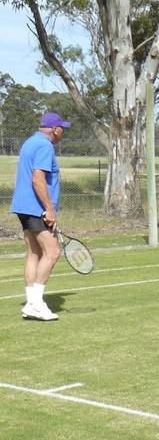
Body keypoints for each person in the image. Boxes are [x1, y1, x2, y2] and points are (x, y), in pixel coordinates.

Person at [10, 112, 71, 321]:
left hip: (23, 207)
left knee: (34, 253)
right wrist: (49, 209)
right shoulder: (45, 146)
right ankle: (36, 304)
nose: (64, 131)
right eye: (63, 127)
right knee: (53, 252)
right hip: (37, 208)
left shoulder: (29, 142)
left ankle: (30, 304)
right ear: (55, 129)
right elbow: (38, 179)